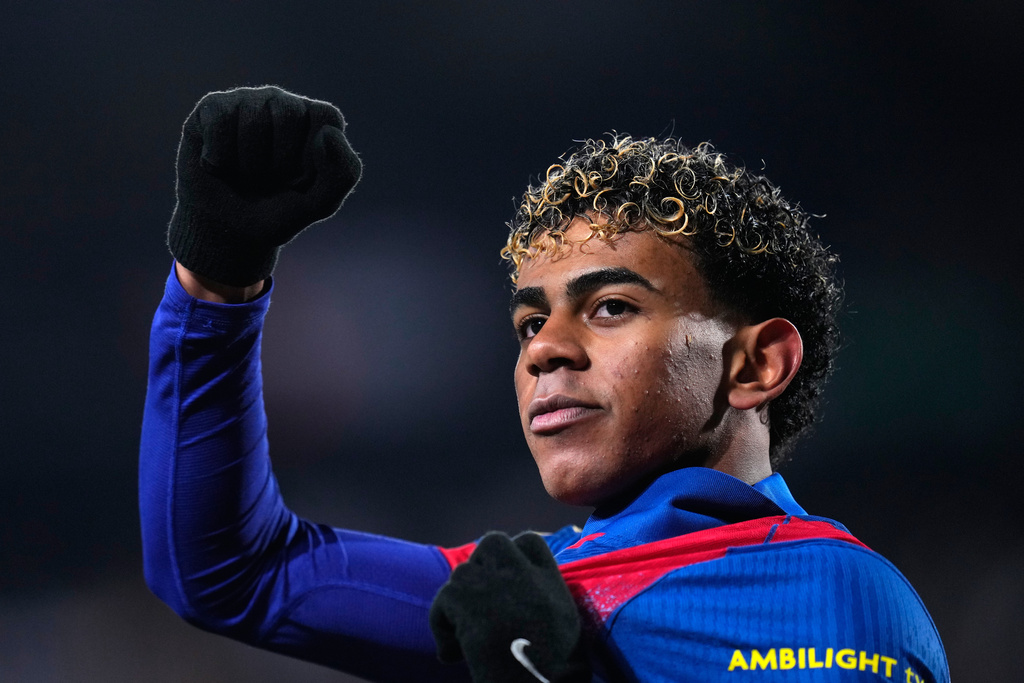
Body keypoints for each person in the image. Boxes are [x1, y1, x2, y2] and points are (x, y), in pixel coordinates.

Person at [140, 86, 949, 682]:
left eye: (610, 307)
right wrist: (217, 286)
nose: (544, 350)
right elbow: (230, 573)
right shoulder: (528, 599)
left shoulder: (845, 599)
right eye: (531, 323)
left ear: (755, 364)